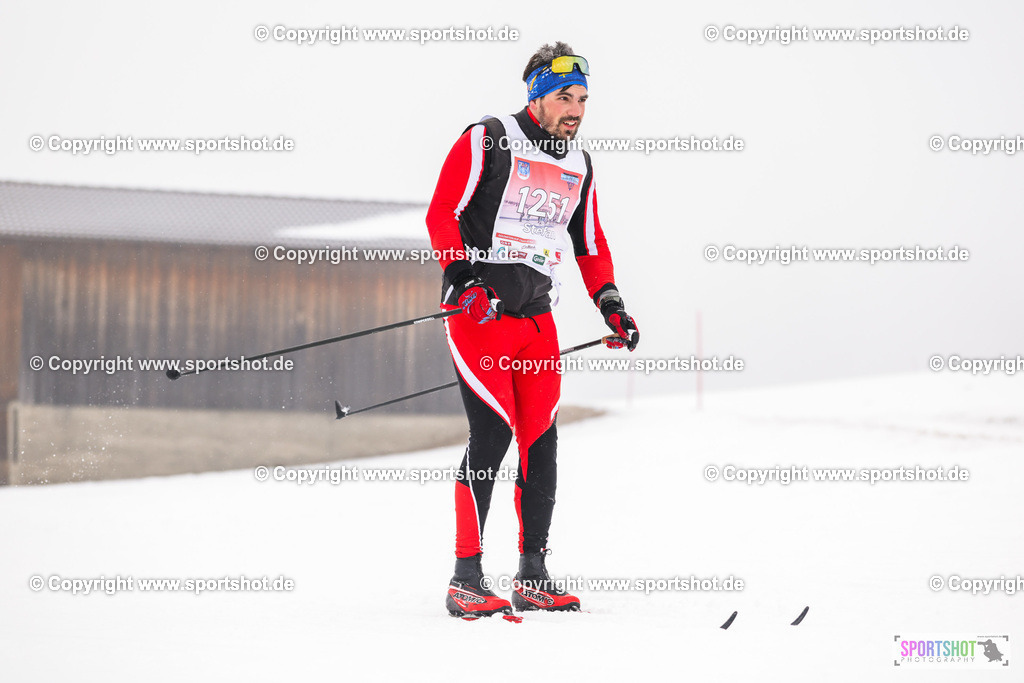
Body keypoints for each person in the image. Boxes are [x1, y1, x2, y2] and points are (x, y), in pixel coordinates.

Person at [425, 41, 639, 618]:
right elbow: (442, 212)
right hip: (481, 315)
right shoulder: (489, 138)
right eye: (565, 98)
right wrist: (463, 279)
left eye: (583, 100)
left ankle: (532, 575)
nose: (576, 110)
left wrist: (611, 304)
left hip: (537, 320)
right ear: (536, 96)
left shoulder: (579, 163)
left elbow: (589, 242)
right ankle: (466, 579)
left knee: (541, 442)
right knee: (492, 437)